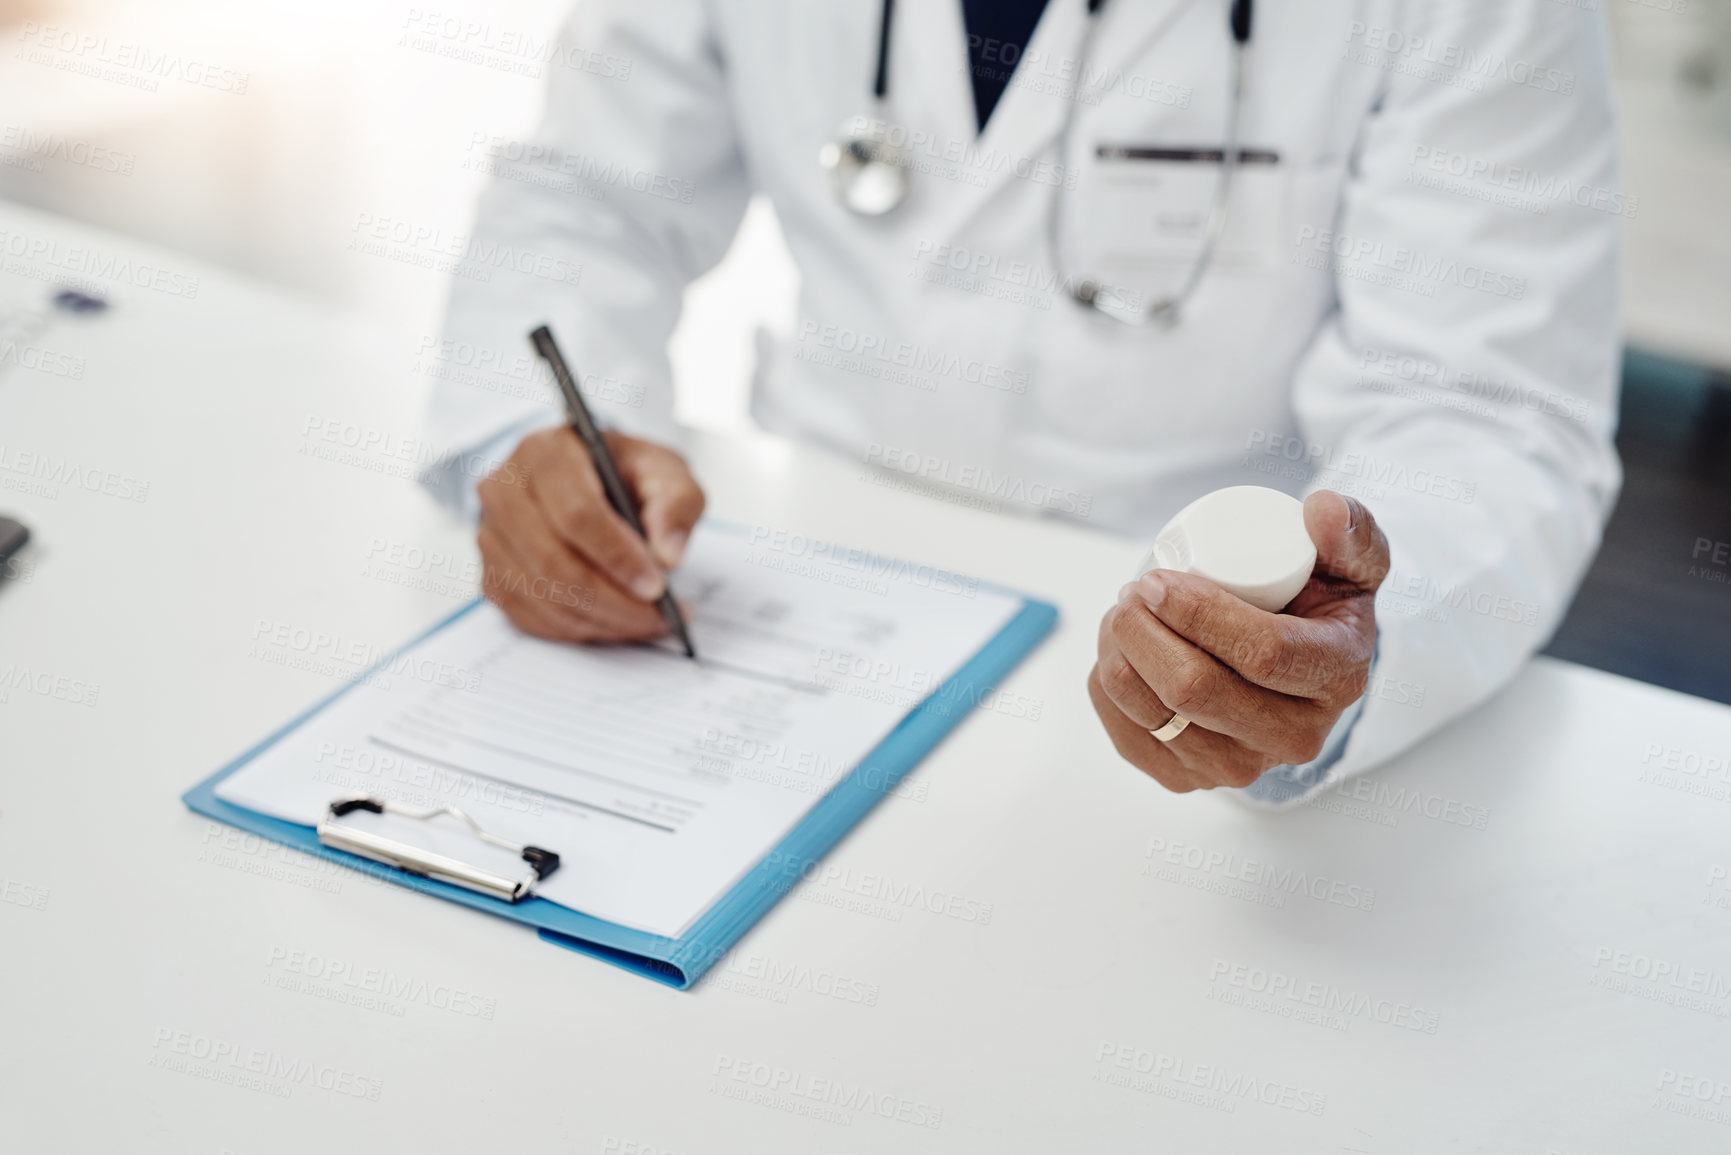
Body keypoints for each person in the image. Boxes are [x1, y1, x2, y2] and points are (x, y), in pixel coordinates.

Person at [422, 0, 1622, 805]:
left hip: (1171, 645)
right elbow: (589, 194)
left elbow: (1489, 402)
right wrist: (540, 442)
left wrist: (1332, 643)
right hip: (786, 589)